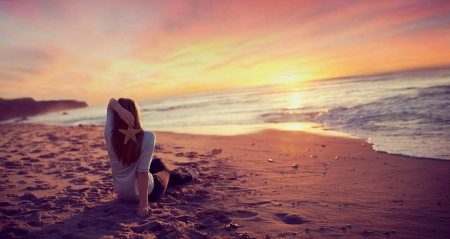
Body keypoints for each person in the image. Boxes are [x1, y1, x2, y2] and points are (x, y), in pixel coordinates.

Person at [104, 98, 195, 217]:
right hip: (149, 192)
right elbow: (142, 173)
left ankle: (164, 170)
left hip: (121, 192)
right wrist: (143, 206)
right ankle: (190, 176)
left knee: (157, 163)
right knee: (167, 173)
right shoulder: (147, 137)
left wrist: (119, 109)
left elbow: (111, 102)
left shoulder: (109, 134)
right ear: (135, 115)